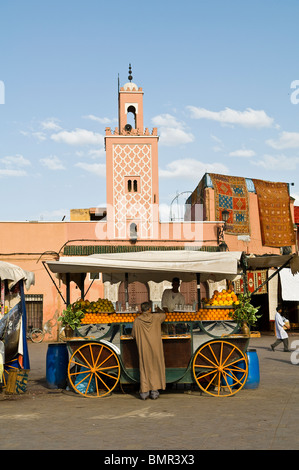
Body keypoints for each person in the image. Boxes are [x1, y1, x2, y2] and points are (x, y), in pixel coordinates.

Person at [132, 301, 166, 400]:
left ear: (141, 310)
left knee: (144, 367)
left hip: (143, 348)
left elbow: (133, 335)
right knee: (155, 367)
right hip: (156, 348)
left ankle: (144, 392)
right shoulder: (156, 318)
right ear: (150, 309)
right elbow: (164, 315)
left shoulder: (137, 320)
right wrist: (159, 310)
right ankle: (154, 392)